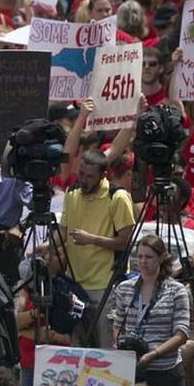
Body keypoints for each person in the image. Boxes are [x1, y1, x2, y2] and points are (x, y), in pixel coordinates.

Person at [60, 146, 136, 348]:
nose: (83, 180)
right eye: (81, 174)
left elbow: (126, 241)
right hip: (74, 284)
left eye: (89, 177)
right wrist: (45, 247)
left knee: (106, 346)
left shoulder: (117, 197)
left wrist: (92, 239)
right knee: (76, 346)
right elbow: (61, 233)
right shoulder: (72, 193)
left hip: (104, 286)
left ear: (103, 175)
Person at [110, 235, 190, 386]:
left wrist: (153, 354)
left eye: (149, 257)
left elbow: (182, 334)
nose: (143, 261)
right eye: (140, 257)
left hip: (164, 370)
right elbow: (117, 324)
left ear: (161, 258)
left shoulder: (176, 290)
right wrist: (118, 344)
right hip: (132, 367)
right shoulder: (124, 288)